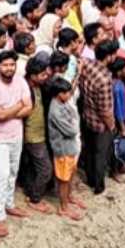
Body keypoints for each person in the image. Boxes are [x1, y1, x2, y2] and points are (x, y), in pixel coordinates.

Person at [0, 50, 32, 237]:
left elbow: (29, 107)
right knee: (2, 175)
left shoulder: (21, 81)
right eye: (5, 65)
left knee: (13, 172)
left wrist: (8, 112)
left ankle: (9, 204)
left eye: (12, 64)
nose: (9, 68)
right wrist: (19, 106)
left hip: (16, 135)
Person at [80, 39, 118, 198]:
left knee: (89, 151)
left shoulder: (88, 65)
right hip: (100, 123)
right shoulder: (105, 78)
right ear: (108, 57)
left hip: (87, 116)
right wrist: (112, 125)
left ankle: (90, 179)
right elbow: (105, 110)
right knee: (100, 155)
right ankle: (99, 187)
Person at [48, 77, 85, 220]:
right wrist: (74, 123)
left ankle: (69, 197)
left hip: (71, 147)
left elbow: (74, 120)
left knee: (71, 174)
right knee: (63, 179)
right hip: (63, 149)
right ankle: (63, 207)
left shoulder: (63, 103)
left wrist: (73, 122)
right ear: (60, 94)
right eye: (68, 92)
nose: (70, 94)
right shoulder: (56, 111)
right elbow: (72, 130)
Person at [22, 56, 54, 214]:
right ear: (33, 76)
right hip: (33, 136)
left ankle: (30, 191)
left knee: (32, 167)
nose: (46, 76)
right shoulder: (26, 90)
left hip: (38, 133)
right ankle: (35, 198)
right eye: (42, 75)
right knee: (46, 169)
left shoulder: (36, 86)